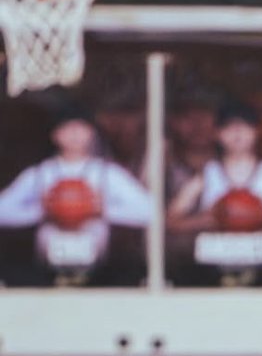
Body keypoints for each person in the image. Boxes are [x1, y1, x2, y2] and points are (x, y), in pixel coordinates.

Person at [0, 109, 151, 270]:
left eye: (80, 128)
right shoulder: (40, 174)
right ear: (55, 135)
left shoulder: (107, 173)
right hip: (46, 265)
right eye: (67, 128)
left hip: (99, 266)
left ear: (91, 133)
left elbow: (149, 211)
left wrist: (101, 209)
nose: (74, 135)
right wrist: (42, 211)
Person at [166, 102, 262, 234]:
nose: (237, 132)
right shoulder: (207, 174)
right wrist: (203, 221)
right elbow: (170, 219)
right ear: (217, 134)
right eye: (229, 127)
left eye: (245, 126)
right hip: (214, 256)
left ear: (257, 131)